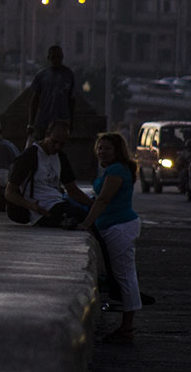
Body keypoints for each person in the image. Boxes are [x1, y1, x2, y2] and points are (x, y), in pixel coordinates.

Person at [77, 132, 142, 344]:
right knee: (121, 275)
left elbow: (103, 199)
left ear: (117, 151)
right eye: (99, 148)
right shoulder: (111, 169)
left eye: (107, 148)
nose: (101, 152)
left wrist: (86, 224)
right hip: (113, 226)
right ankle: (126, 326)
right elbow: (97, 198)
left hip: (120, 227)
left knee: (125, 275)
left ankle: (128, 328)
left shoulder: (116, 170)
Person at [5, 120, 93, 227]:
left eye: (62, 144)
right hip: (40, 210)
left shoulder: (60, 157)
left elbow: (72, 190)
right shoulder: (29, 156)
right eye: (54, 142)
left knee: (87, 216)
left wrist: (94, 205)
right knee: (80, 216)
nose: (57, 147)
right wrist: (32, 206)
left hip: (57, 203)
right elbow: (9, 192)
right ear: (47, 134)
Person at [28, 45, 76, 143]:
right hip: (43, 121)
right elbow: (35, 100)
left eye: (59, 57)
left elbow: (72, 100)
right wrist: (31, 123)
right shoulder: (41, 76)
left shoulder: (68, 75)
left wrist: (71, 122)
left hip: (61, 121)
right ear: (49, 58)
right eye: (53, 57)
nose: (56, 60)